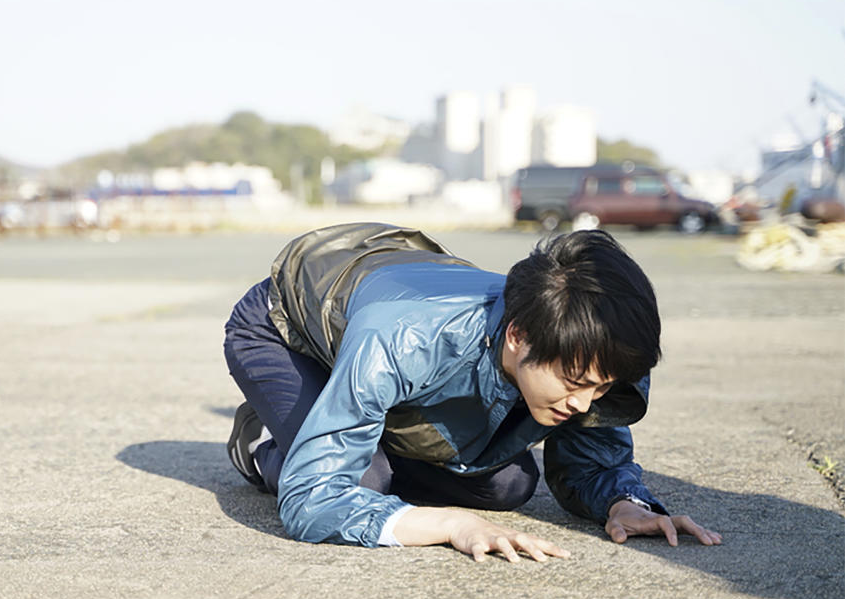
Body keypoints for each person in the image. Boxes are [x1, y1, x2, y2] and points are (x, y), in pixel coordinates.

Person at [222, 223, 721, 561]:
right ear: (518, 335)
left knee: (508, 487)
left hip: (394, 333)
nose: (584, 404)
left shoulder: (595, 348)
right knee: (362, 482)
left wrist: (625, 503)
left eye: (600, 387)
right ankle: (269, 446)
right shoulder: (402, 340)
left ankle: (349, 423)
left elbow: (592, 460)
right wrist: (449, 524)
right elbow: (314, 500)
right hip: (288, 327)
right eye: (574, 384)